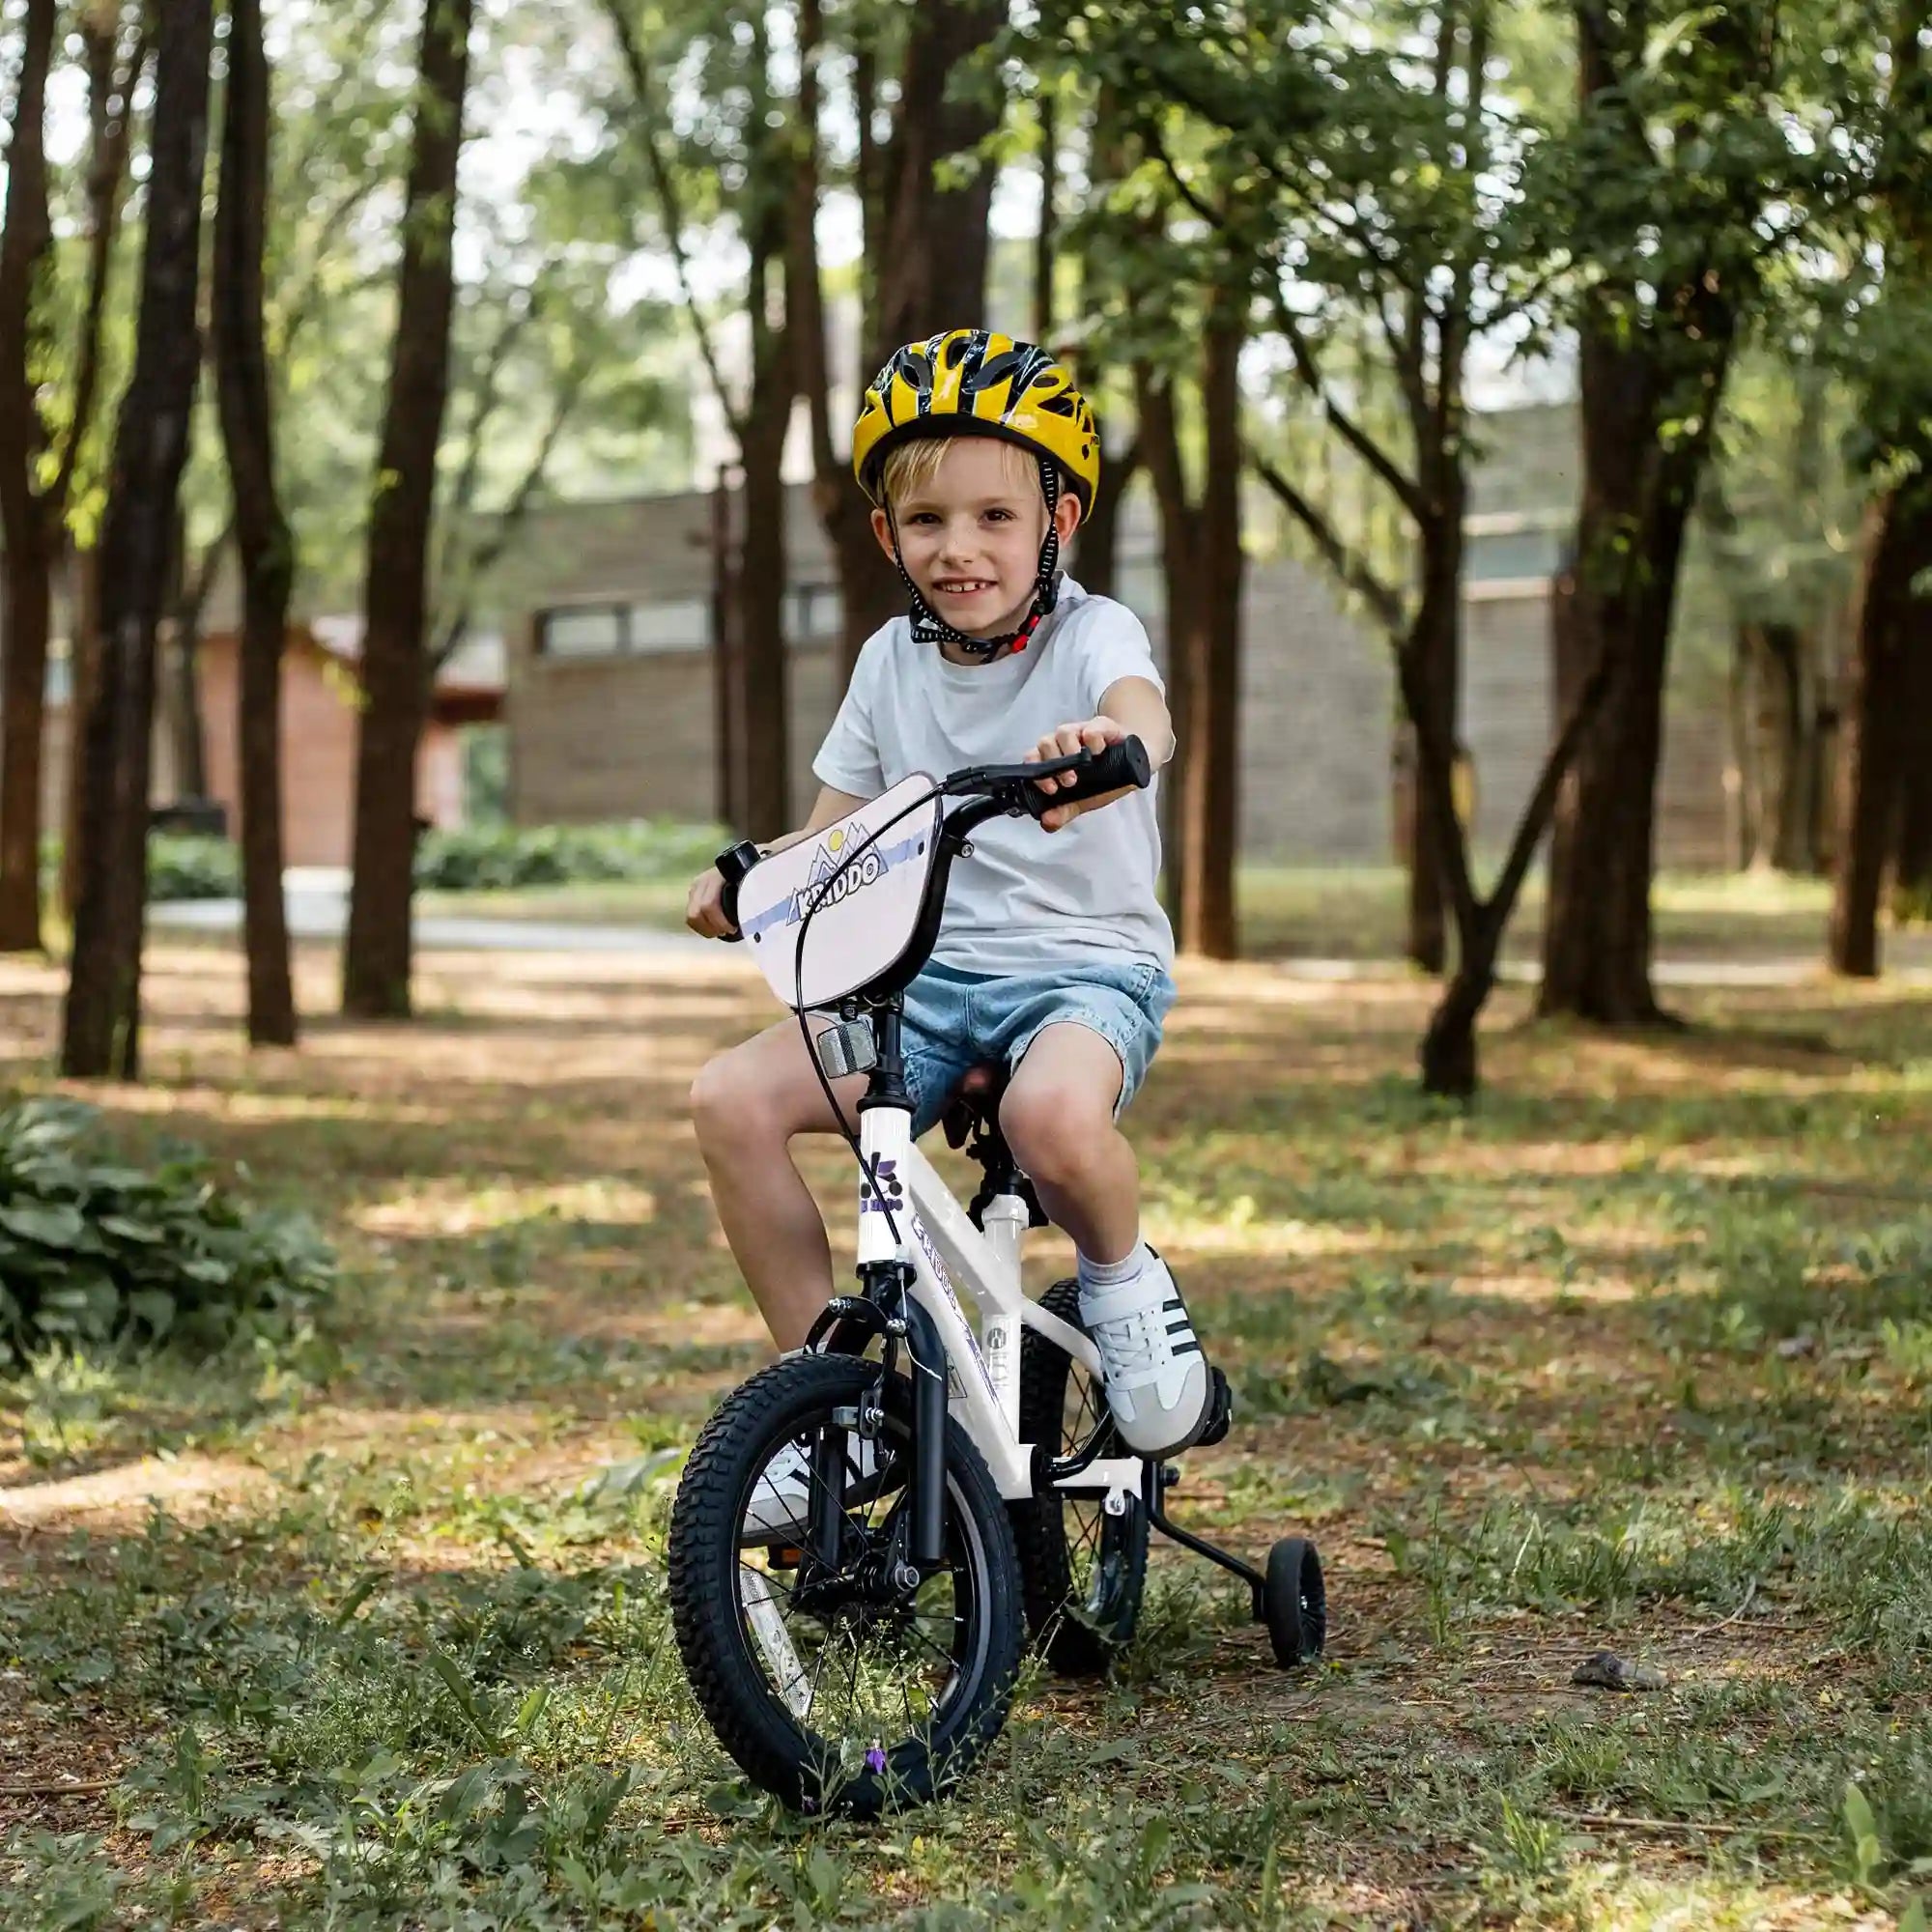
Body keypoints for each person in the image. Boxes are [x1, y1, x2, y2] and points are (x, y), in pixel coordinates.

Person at [686, 327, 1210, 1461]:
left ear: (1056, 523)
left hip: (1081, 969)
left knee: (1050, 1118)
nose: (958, 548)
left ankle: (1125, 1289)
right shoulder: (888, 663)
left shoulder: (1092, 633)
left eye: (993, 517)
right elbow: (834, 836)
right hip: (920, 987)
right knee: (731, 1097)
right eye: (926, 521)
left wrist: (1111, 745)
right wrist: (749, 878)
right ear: (886, 534)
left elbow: (1145, 717)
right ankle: (822, 1397)